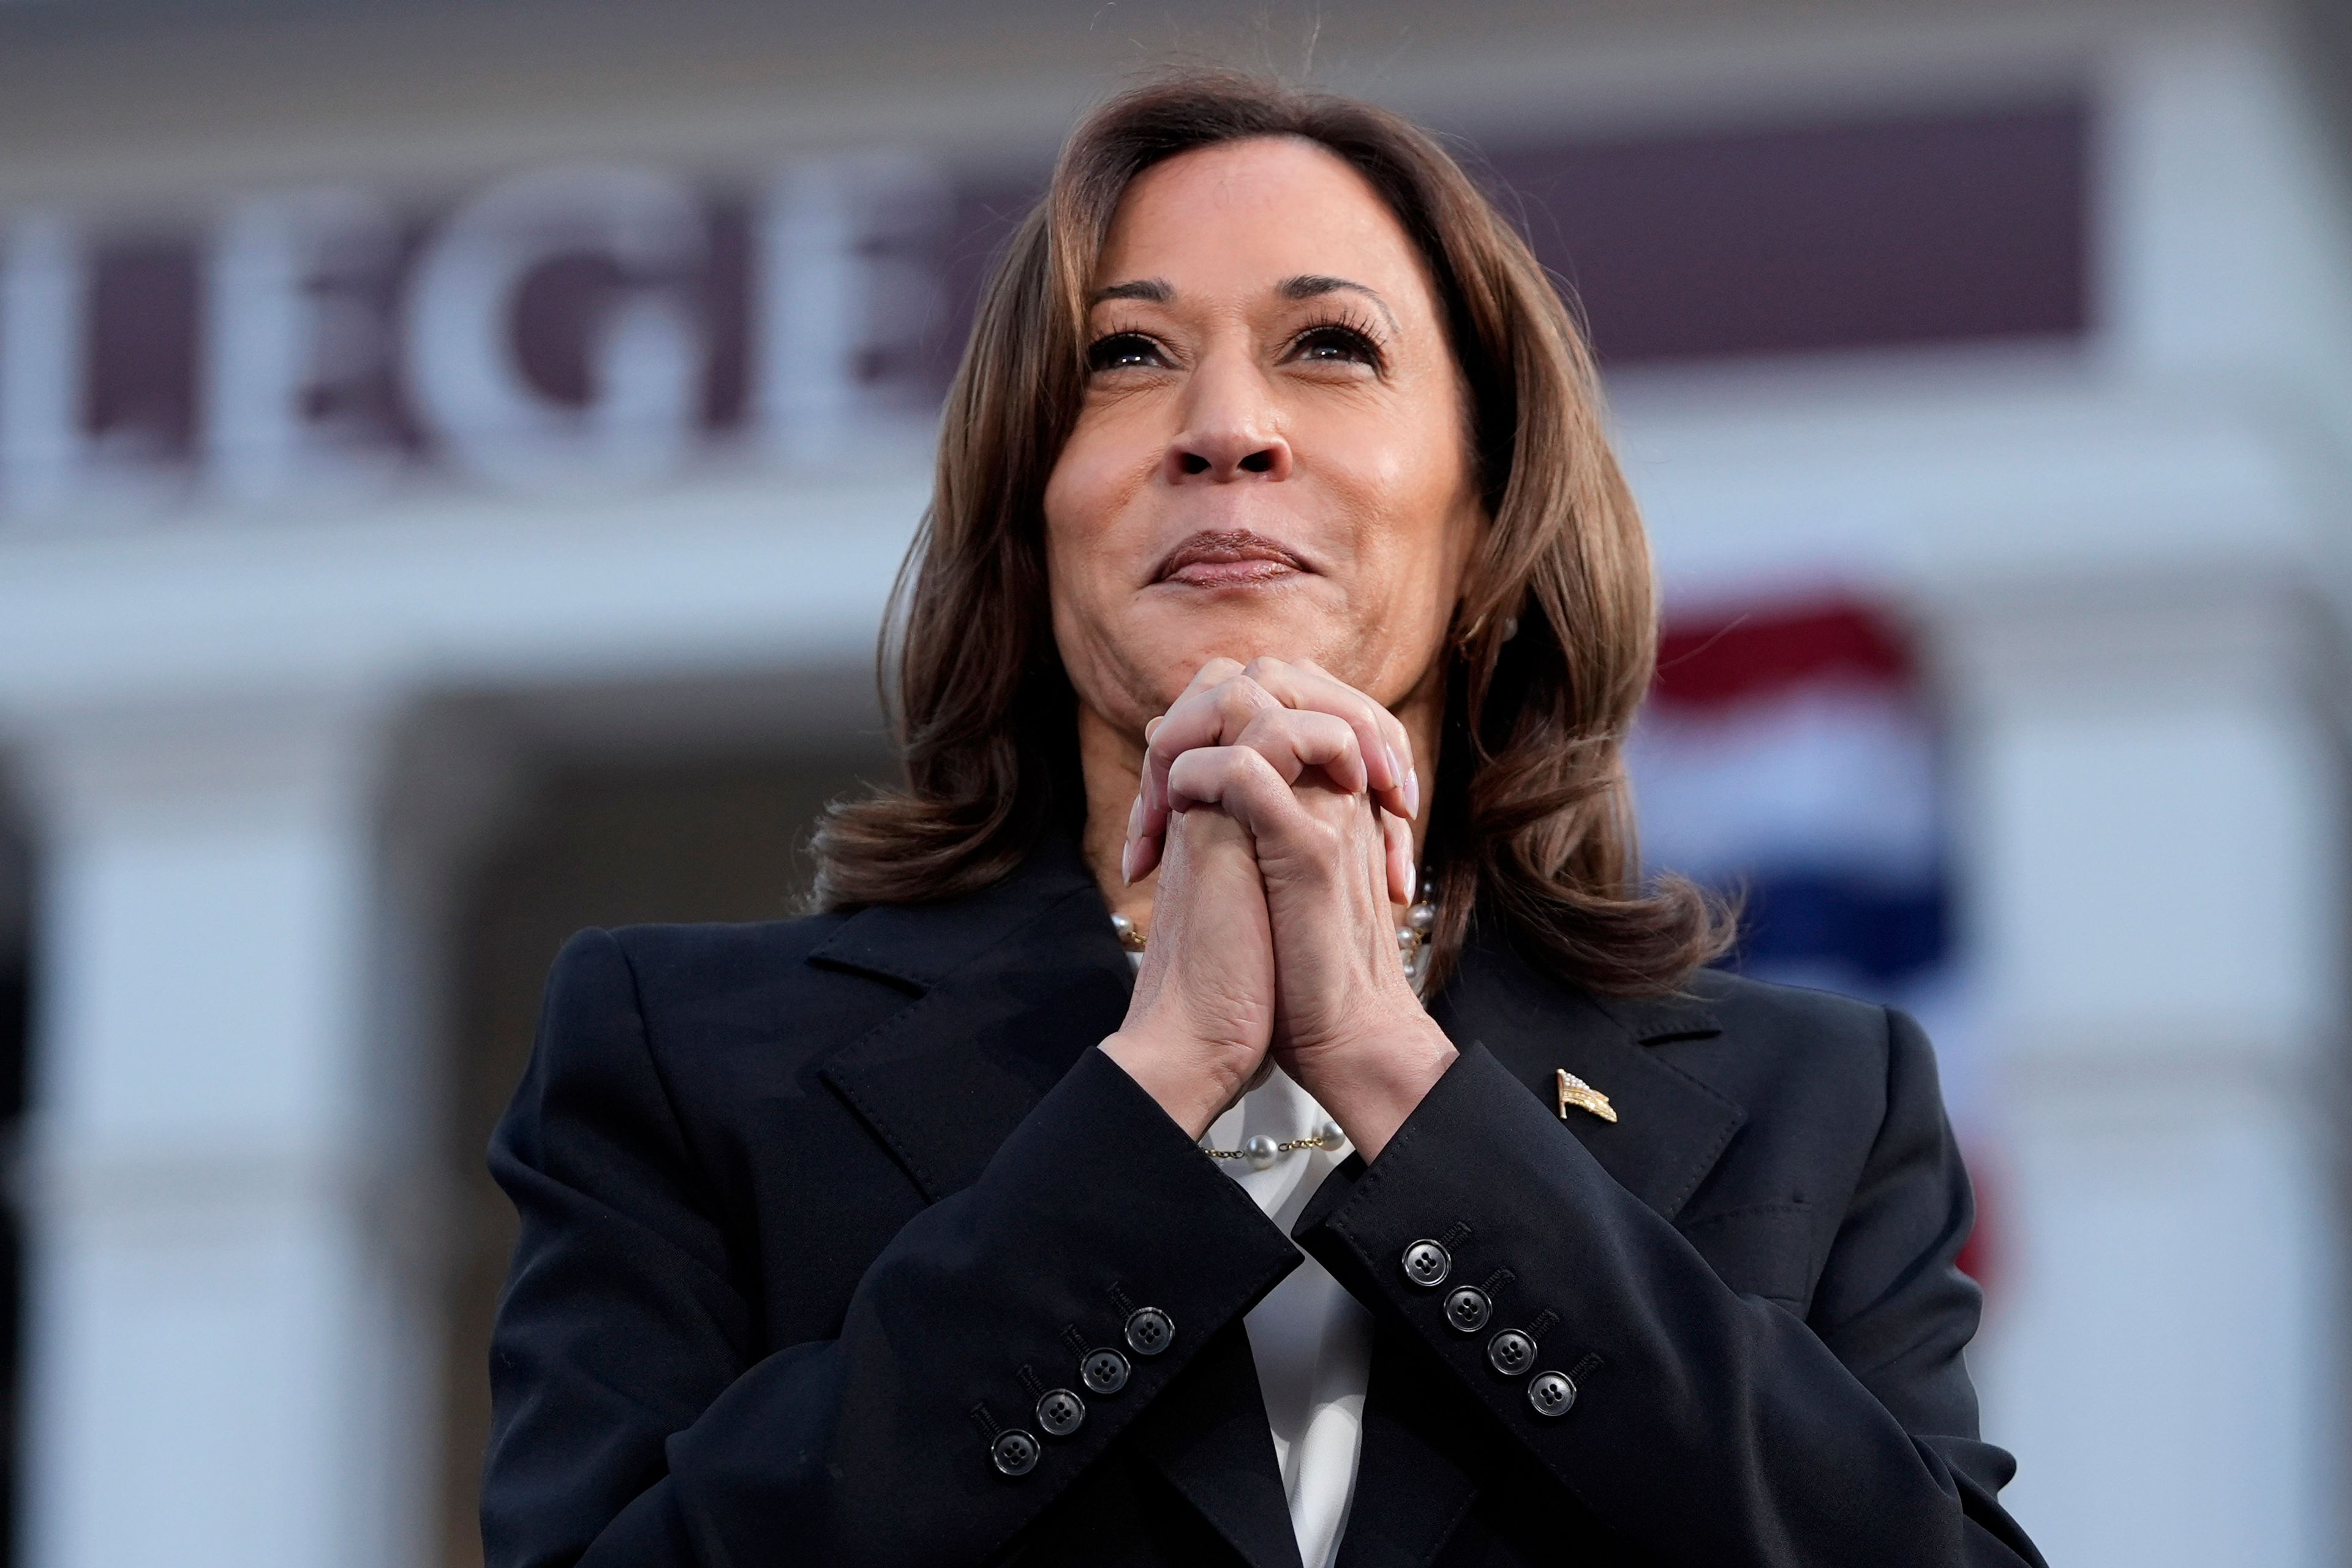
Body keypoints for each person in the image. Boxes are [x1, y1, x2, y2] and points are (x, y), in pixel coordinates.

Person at [481, 69, 2047, 1568]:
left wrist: (1397, 1076)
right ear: (1031, 512)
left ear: (1489, 503)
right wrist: (1155, 1092)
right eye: (1128, 356)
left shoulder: (1823, 1102)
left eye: (1331, 347)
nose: (1226, 426)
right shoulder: (678, 1051)